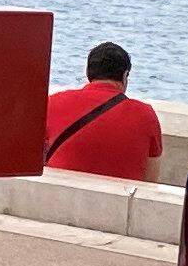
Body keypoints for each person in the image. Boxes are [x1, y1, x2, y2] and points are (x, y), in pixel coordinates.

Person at [42, 37, 164, 179]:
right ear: (125, 75)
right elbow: (151, 179)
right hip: (118, 200)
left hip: (61, 197)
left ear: (88, 73)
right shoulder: (145, 115)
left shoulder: (54, 103)